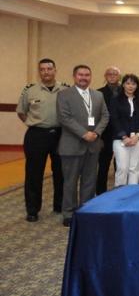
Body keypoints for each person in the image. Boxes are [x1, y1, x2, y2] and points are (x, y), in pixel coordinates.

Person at [57, 65, 109, 226]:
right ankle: (69, 213)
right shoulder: (64, 95)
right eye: (80, 75)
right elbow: (64, 118)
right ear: (74, 76)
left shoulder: (98, 95)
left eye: (87, 75)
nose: (84, 78)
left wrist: (97, 133)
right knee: (70, 181)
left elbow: (105, 116)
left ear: (91, 77)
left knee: (89, 180)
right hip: (72, 145)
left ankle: (86, 209)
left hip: (93, 145)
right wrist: (83, 133)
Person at [16, 58, 67, 222]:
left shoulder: (65, 89)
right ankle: (32, 210)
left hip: (61, 134)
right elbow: (21, 112)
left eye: (49, 69)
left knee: (61, 172)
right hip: (36, 135)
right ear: (39, 72)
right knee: (33, 173)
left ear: (55, 70)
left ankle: (59, 205)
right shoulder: (30, 90)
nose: (46, 72)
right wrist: (34, 124)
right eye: (43, 69)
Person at [109, 74, 139, 186]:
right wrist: (124, 136)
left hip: (138, 140)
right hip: (121, 139)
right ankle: (119, 196)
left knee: (134, 169)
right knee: (122, 168)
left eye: (133, 83)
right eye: (128, 83)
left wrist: (138, 135)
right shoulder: (115, 100)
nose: (130, 86)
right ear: (123, 85)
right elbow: (114, 119)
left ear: (137, 86)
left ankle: (132, 195)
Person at [96, 66, 121, 195]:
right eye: (109, 74)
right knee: (103, 166)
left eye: (115, 74)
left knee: (121, 166)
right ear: (105, 77)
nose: (112, 76)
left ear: (119, 77)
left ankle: (120, 192)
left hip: (122, 135)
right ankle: (100, 193)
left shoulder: (126, 90)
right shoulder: (98, 93)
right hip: (105, 135)